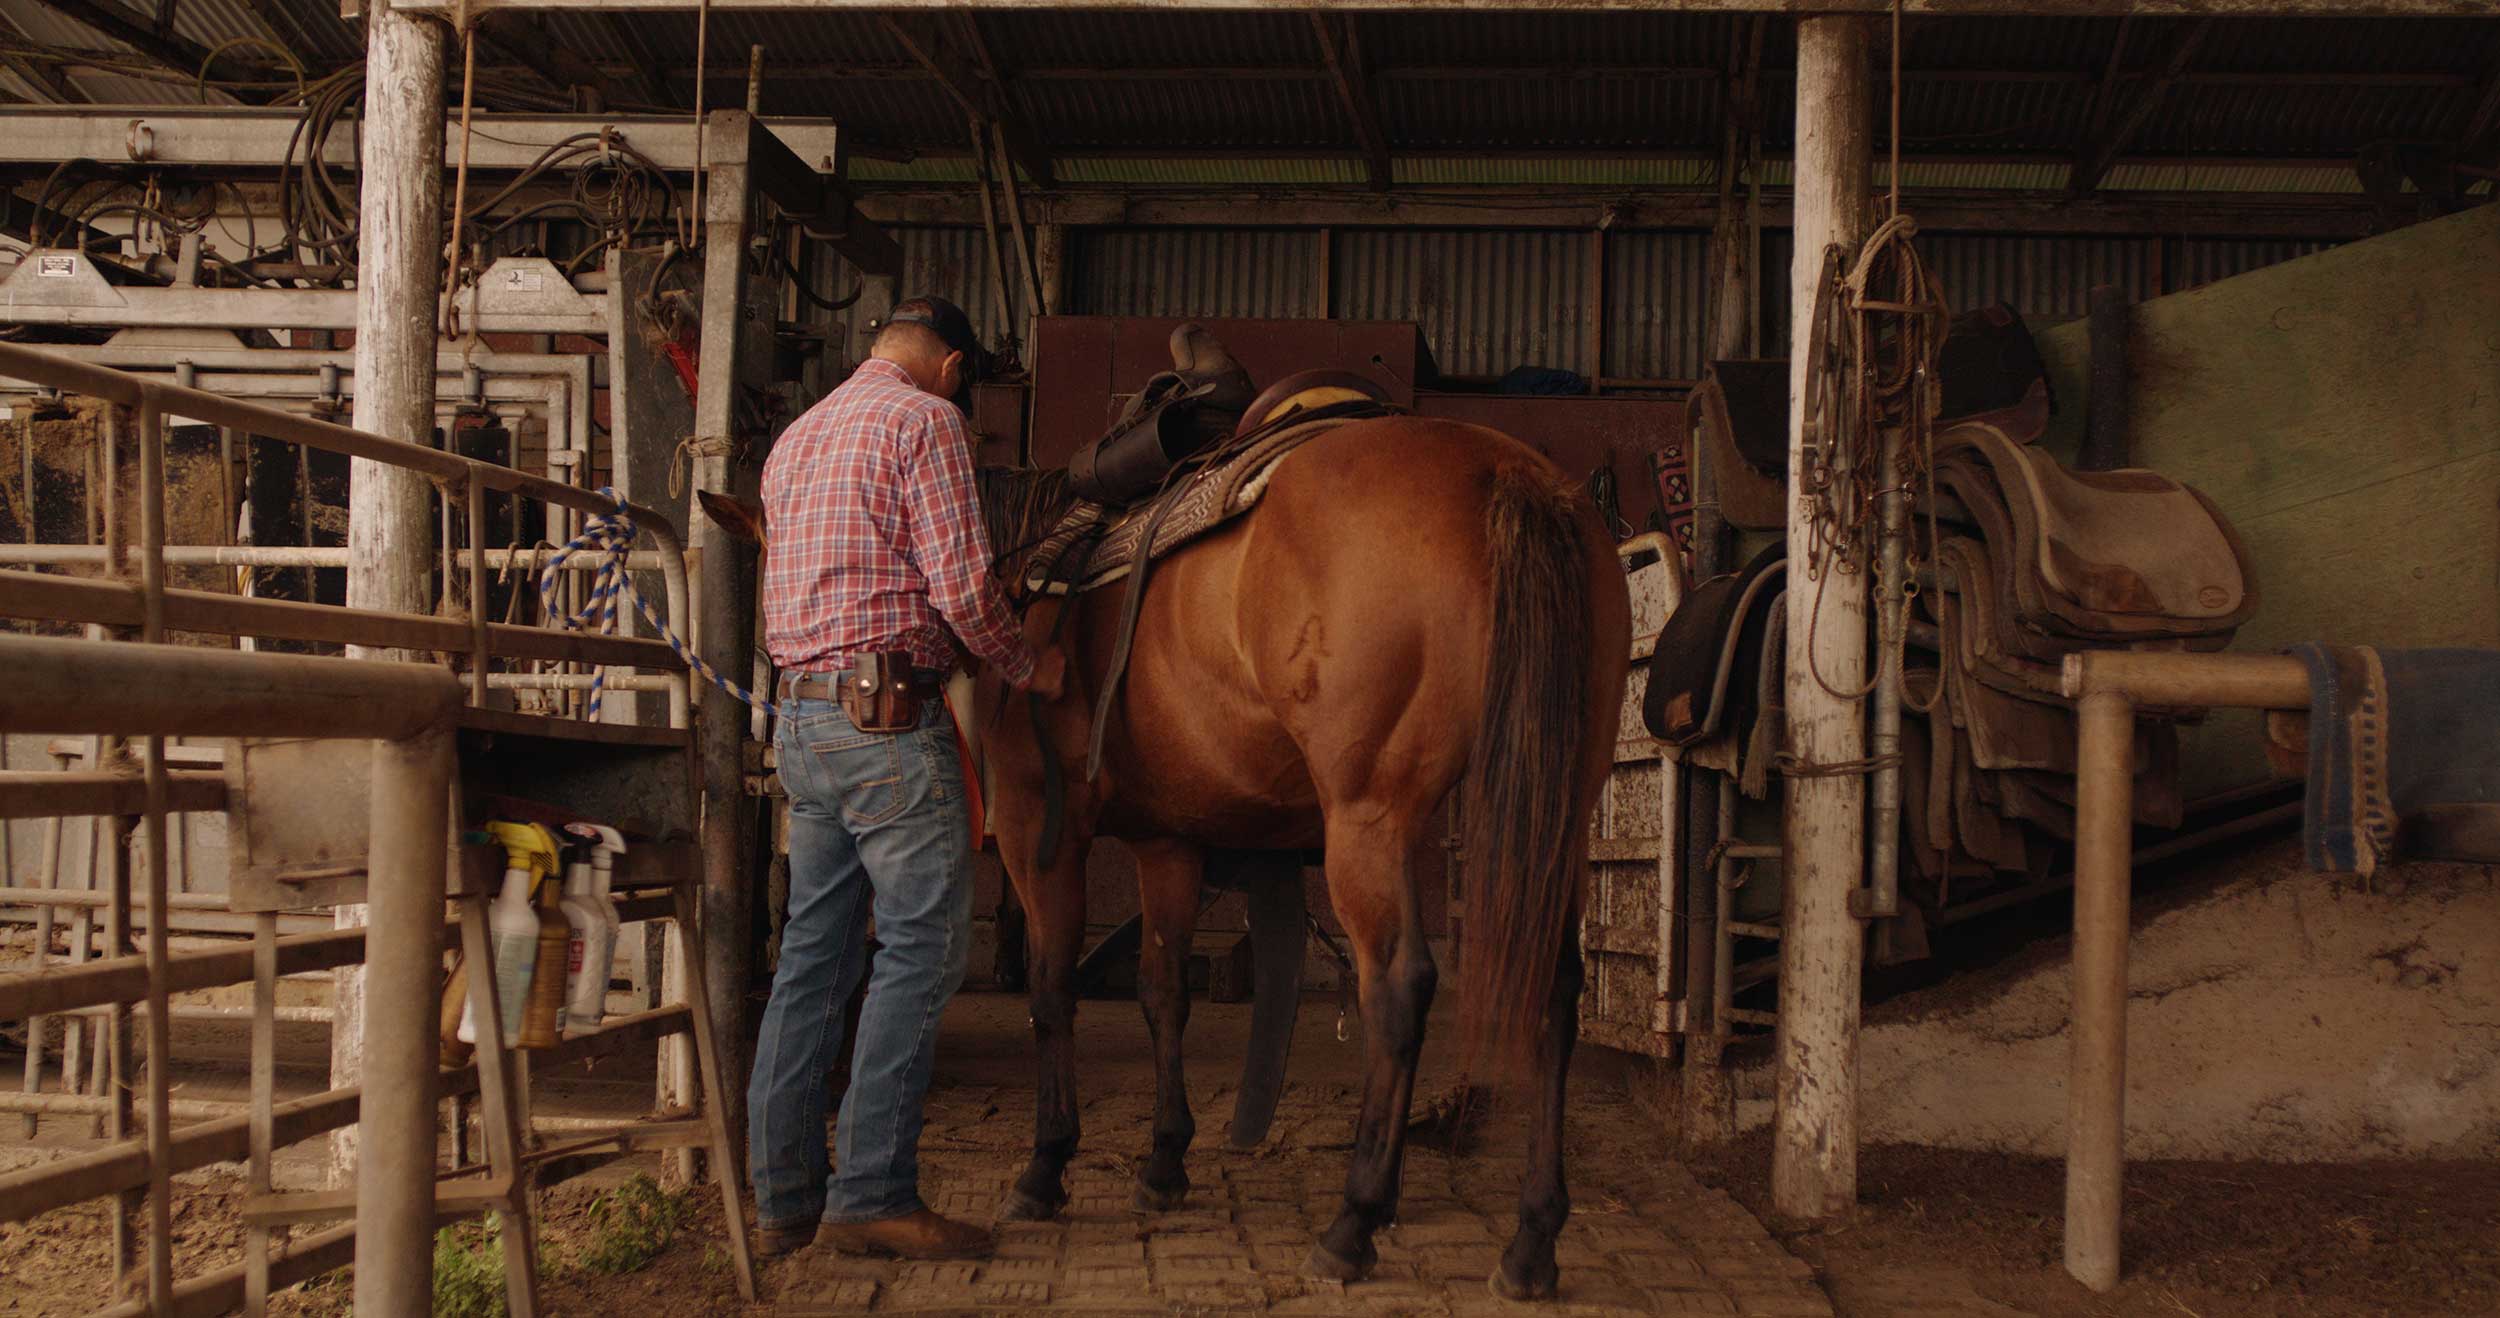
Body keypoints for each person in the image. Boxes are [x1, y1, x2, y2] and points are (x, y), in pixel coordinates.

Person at [748, 296, 1048, 1260]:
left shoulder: (796, 437)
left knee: (812, 962)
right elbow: (961, 586)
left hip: (802, 716)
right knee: (919, 953)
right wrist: (1028, 664)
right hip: (886, 723)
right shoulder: (928, 422)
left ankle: (785, 1196)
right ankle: (873, 1193)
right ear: (953, 367)